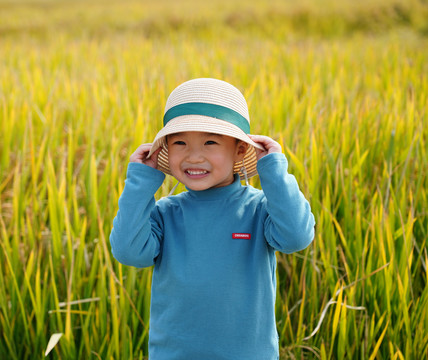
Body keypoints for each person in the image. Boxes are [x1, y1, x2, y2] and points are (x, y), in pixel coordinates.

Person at [109, 78, 315, 359]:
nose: (194, 156)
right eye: (180, 142)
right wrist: (141, 179)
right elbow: (129, 252)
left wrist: (274, 170)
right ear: (167, 149)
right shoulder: (166, 214)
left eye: (210, 142)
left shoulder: (258, 209)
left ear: (240, 150)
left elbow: (296, 237)